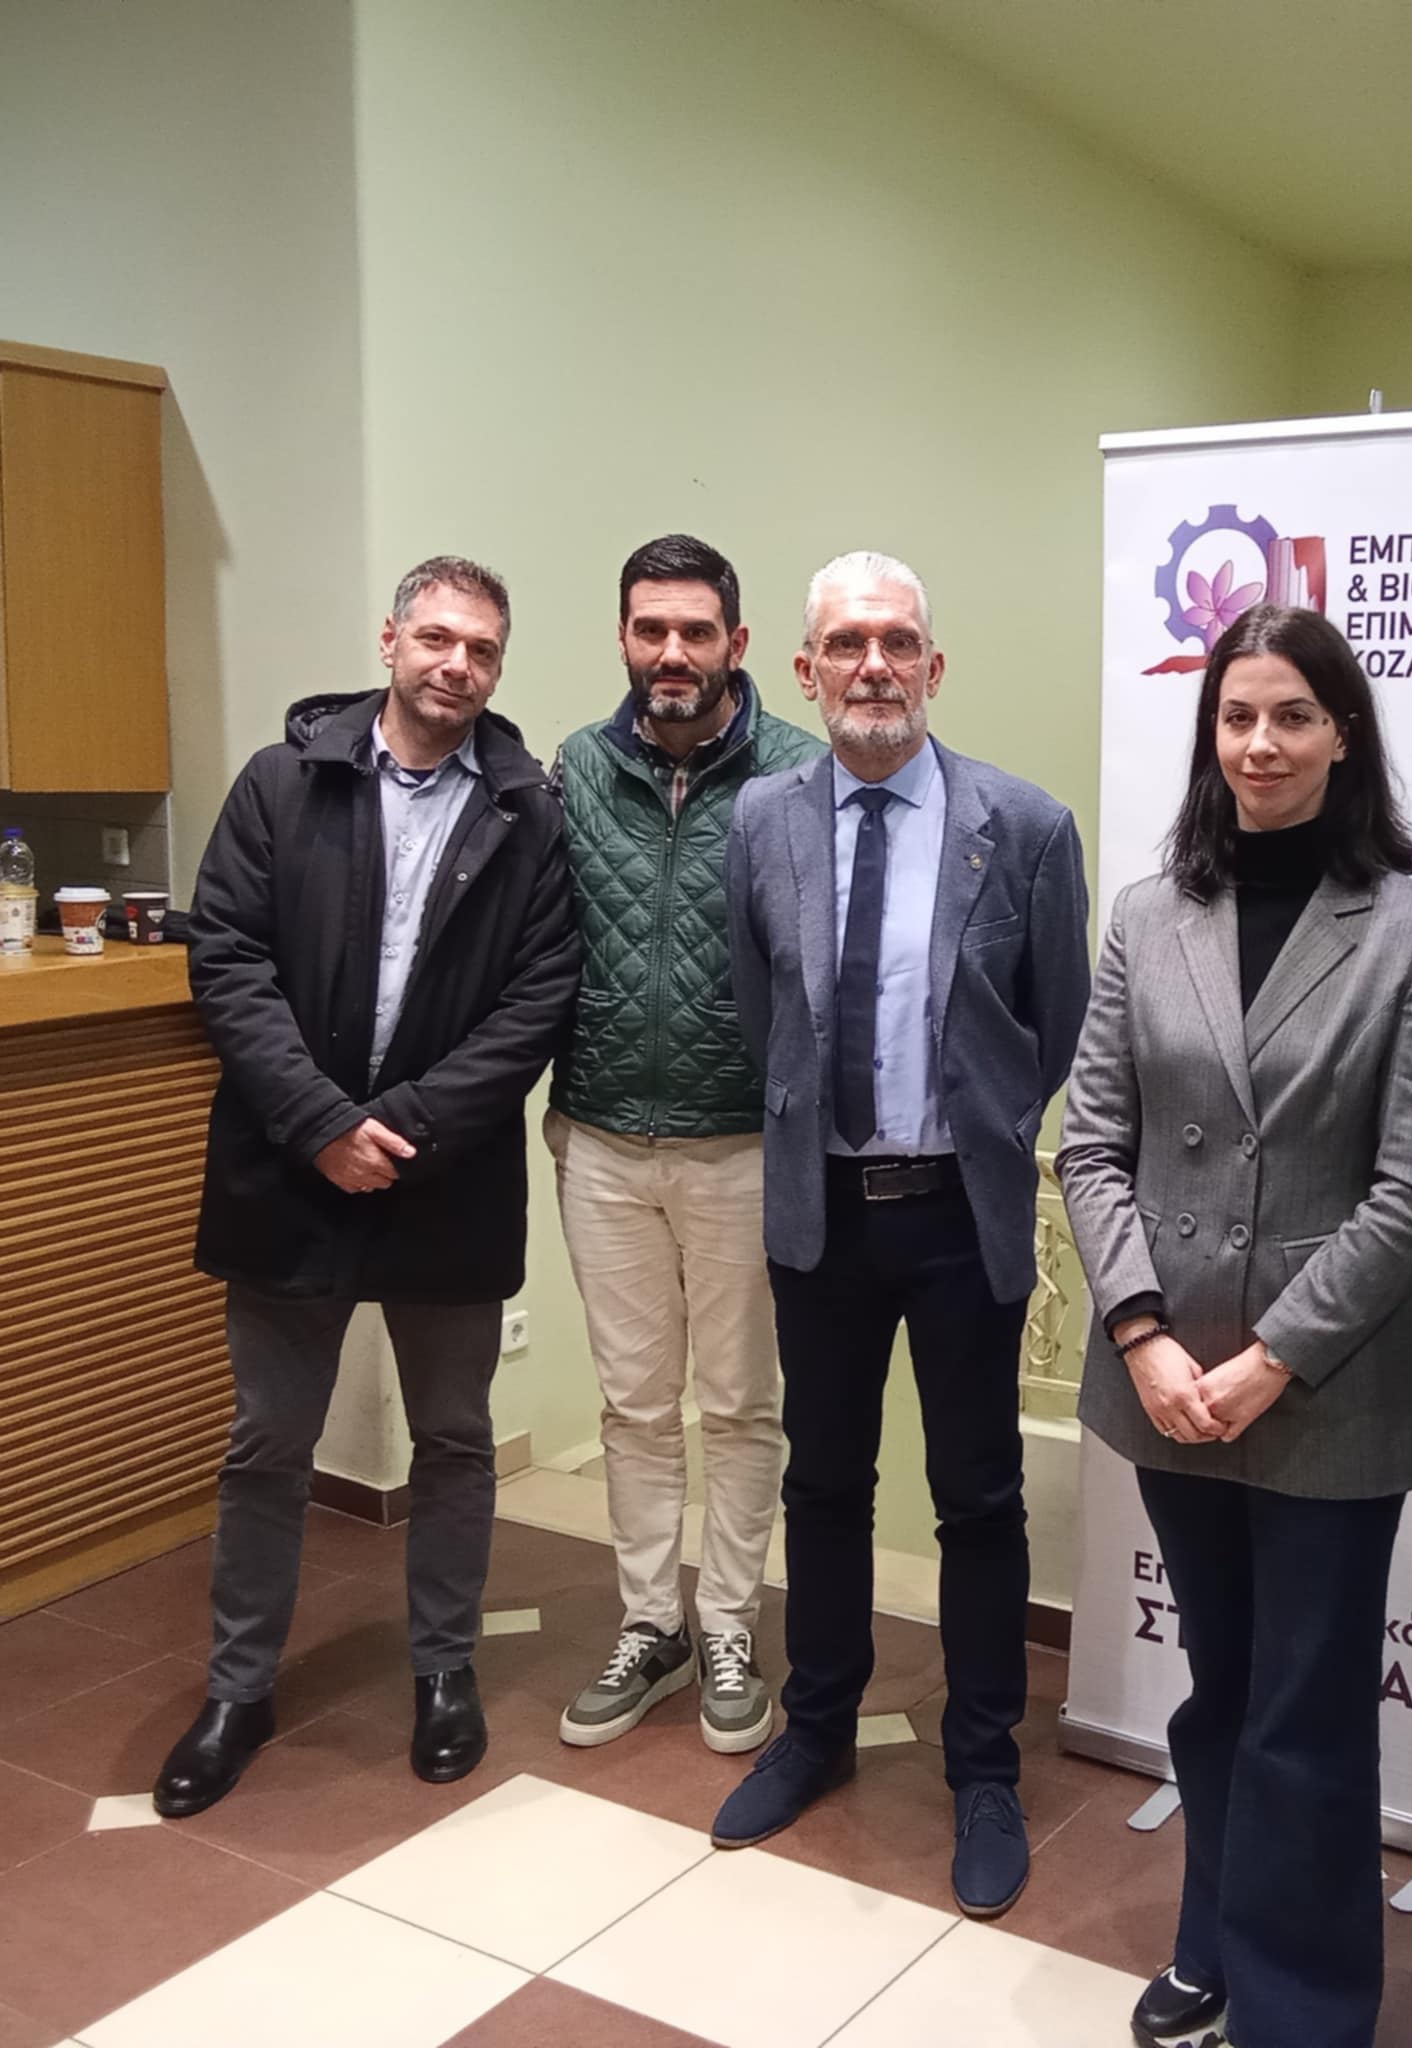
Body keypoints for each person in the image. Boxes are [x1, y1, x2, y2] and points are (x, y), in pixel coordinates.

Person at [1058, 604, 1412, 2048]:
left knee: (1306, 1708)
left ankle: (1304, 2009)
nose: (1260, 743)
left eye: (1291, 715)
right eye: (1236, 716)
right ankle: (1215, 1938)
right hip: (1168, 1380)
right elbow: (1091, 1143)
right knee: (1218, 1686)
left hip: (1324, 1389)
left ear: (1341, 733)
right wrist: (1141, 1335)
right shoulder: (1145, 916)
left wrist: (1271, 1357)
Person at [153, 557, 579, 1818]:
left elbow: (540, 995)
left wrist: (404, 1124)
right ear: (390, 638)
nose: (457, 664)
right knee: (267, 1442)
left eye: (482, 649)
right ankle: (238, 1688)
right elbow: (227, 957)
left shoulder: (527, 810)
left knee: (453, 1438)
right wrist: (321, 1122)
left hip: (446, 1178)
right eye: (437, 637)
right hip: (289, 1169)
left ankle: (444, 1669)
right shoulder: (281, 782)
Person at [713, 550, 1091, 1917]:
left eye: (896, 642)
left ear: (934, 666)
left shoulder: (1025, 824)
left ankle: (982, 1765)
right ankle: (816, 1726)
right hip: (821, 1212)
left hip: (958, 1214)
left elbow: (1054, 1023)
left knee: (977, 1497)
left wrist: (972, 1125)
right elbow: (762, 1009)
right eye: (845, 643)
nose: (871, 666)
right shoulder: (763, 818)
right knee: (823, 1484)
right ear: (804, 669)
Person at [548, 534, 823, 1756]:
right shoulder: (574, 768)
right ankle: (649, 1620)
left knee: (740, 1404)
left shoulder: (797, 772)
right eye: (650, 628)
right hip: (599, 1135)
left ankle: (726, 1624)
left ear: (736, 644)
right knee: (631, 1403)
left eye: (695, 631)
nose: (672, 651)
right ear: (622, 637)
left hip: (739, 1143)